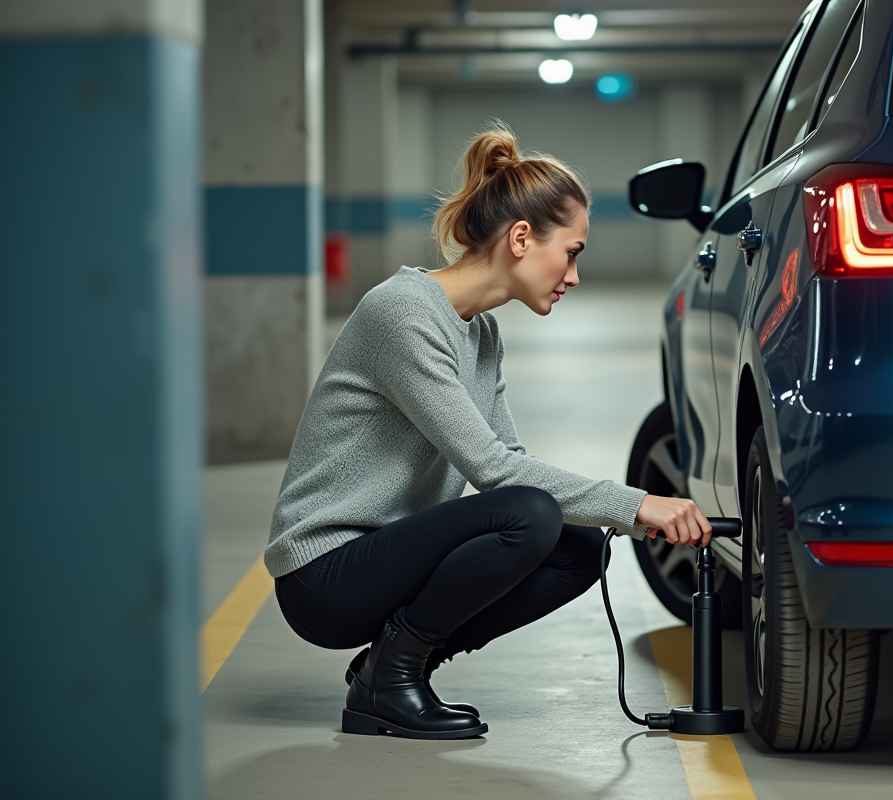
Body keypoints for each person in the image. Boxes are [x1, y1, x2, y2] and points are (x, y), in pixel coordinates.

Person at [266, 124, 712, 741]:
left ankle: (396, 666)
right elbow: (496, 474)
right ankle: (388, 678)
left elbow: (508, 457)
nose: (574, 275)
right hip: (326, 575)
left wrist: (610, 516)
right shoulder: (403, 312)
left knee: (578, 546)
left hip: (390, 554)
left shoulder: (481, 332)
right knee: (529, 512)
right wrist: (636, 504)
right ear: (522, 238)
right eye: (573, 251)